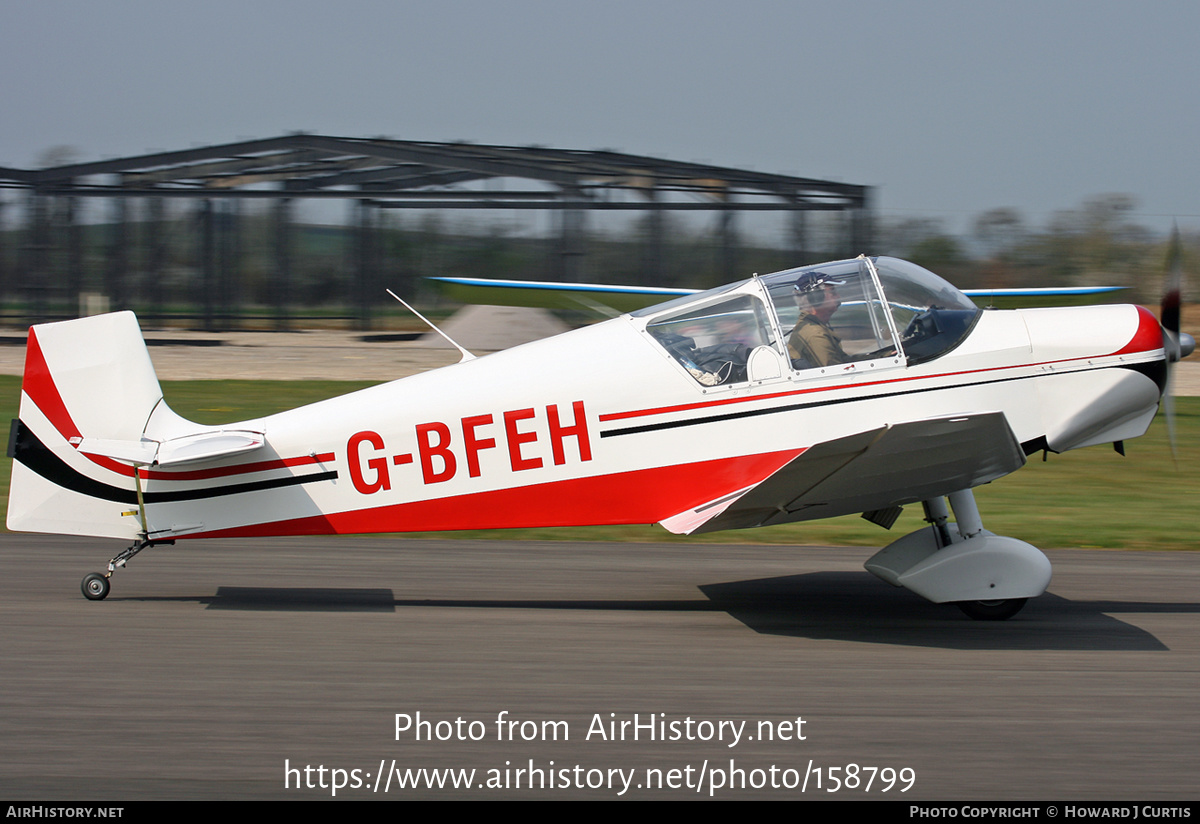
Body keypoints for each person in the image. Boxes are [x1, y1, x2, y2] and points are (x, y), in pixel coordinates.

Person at [788, 271, 850, 367]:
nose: (838, 296)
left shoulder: (814, 326)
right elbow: (836, 372)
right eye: (833, 293)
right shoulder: (816, 334)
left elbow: (844, 361)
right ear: (816, 298)